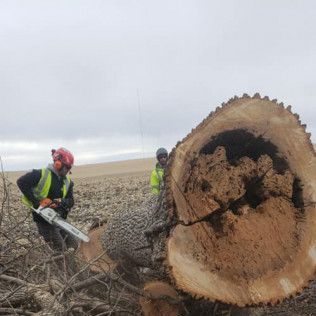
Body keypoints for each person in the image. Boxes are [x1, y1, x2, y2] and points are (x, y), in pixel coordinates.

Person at [17, 147, 77, 252]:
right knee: (60, 250)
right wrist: (36, 202)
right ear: (58, 163)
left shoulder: (68, 182)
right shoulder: (41, 174)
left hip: (59, 219)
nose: (68, 171)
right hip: (43, 220)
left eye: (69, 168)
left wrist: (61, 202)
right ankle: (62, 267)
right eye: (67, 167)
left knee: (74, 244)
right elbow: (21, 182)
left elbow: (71, 201)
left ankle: (73, 265)